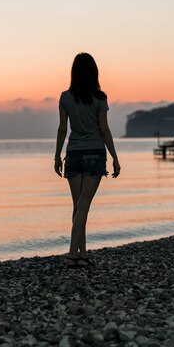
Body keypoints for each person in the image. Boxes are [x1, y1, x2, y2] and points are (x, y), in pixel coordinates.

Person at [53, 53, 120, 268]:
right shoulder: (100, 98)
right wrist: (114, 157)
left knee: (78, 207)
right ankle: (74, 254)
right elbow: (104, 129)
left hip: (73, 154)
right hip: (94, 154)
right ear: (94, 73)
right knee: (82, 207)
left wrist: (57, 155)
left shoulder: (65, 97)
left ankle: (82, 254)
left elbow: (63, 129)